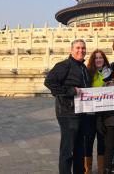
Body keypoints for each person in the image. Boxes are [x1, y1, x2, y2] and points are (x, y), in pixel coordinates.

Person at [44, 39, 91, 174]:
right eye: (77, 48)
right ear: (71, 50)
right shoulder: (64, 65)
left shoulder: (83, 68)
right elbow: (49, 82)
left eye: (83, 48)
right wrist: (70, 91)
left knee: (79, 149)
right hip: (67, 113)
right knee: (68, 149)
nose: (80, 50)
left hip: (81, 112)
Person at [84, 49, 111, 174]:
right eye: (96, 58)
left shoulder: (110, 73)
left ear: (104, 59)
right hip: (90, 114)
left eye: (101, 57)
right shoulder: (87, 73)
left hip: (104, 114)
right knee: (88, 141)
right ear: (93, 60)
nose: (99, 60)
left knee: (102, 142)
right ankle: (87, 169)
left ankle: (101, 170)